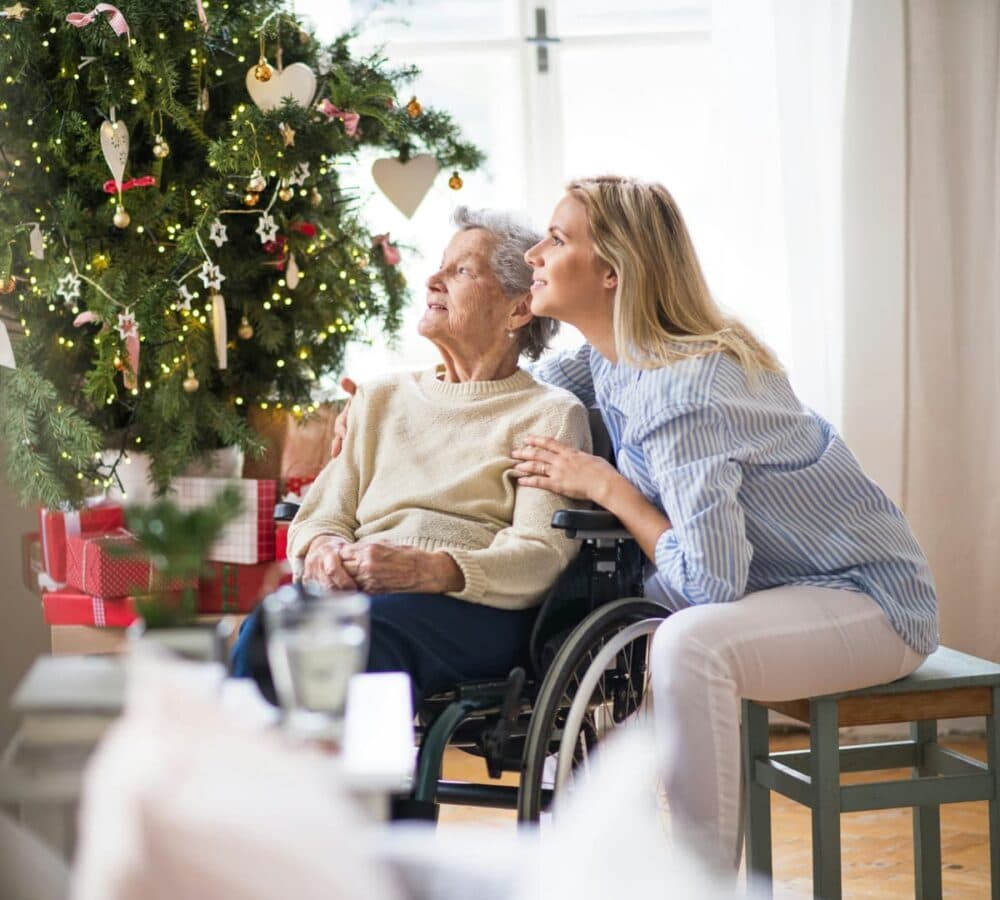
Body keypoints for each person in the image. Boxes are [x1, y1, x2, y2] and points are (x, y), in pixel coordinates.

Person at [505, 175, 938, 868]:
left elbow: (710, 584)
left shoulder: (689, 388)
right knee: (620, 618)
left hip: (872, 601)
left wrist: (613, 490)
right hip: (782, 593)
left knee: (690, 642)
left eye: (556, 239)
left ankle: (699, 883)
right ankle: (621, 862)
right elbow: (512, 398)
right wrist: (397, 404)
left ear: (611, 271)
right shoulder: (610, 360)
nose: (533, 254)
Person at [232, 207, 590, 704]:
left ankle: (341, 779)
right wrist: (323, 554)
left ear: (518, 309)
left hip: (475, 610)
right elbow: (321, 518)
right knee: (267, 627)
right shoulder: (378, 398)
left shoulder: (547, 415)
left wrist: (434, 569)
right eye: (441, 266)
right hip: (364, 594)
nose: (433, 280)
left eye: (462, 271)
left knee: (350, 641)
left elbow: (540, 554)